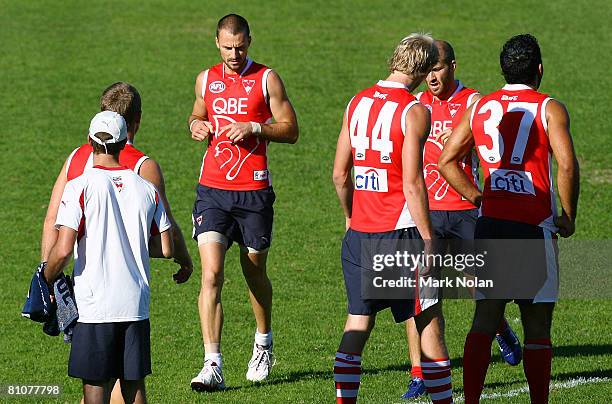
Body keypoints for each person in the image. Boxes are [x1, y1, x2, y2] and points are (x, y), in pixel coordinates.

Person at [438, 34, 579, 403]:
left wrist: (478, 197)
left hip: (491, 224)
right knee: (536, 326)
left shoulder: (481, 106)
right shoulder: (549, 108)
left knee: (485, 318)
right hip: (534, 227)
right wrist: (568, 215)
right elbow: (566, 164)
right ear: (539, 70)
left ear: (503, 69)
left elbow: (446, 161)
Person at [40, 82, 193, 404]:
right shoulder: (145, 181)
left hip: (94, 303)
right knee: (133, 386)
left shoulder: (78, 179)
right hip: (135, 302)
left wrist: (47, 276)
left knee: (95, 387)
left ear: (91, 138)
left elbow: (60, 240)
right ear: (128, 134)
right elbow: (166, 244)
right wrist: (179, 258)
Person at [332, 33, 452, 404]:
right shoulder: (415, 110)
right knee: (427, 318)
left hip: (360, 234)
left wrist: (351, 218)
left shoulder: (356, 102)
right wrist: (430, 238)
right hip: (401, 235)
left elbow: (339, 174)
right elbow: (414, 184)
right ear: (421, 69)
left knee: (358, 322)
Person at [402, 40, 521, 400]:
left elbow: (491, 153)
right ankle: (420, 372)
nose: (431, 77)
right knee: (420, 294)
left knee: (476, 287)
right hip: (428, 212)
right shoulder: (415, 105)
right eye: (427, 70)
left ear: (453, 66)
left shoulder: (473, 103)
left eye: (437, 68)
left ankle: (501, 329)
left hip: (467, 210)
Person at [188, 14, 299, 390]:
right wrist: (195, 125)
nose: (234, 53)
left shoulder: (267, 78)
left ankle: (263, 341)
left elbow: (291, 129)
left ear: (249, 41)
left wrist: (255, 127)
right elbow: (198, 113)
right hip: (213, 190)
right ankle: (212, 364)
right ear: (216, 42)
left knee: (253, 272)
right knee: (211, 274)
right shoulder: (206, 79)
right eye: (227, 47)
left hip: (253, 193)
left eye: (241, 46)